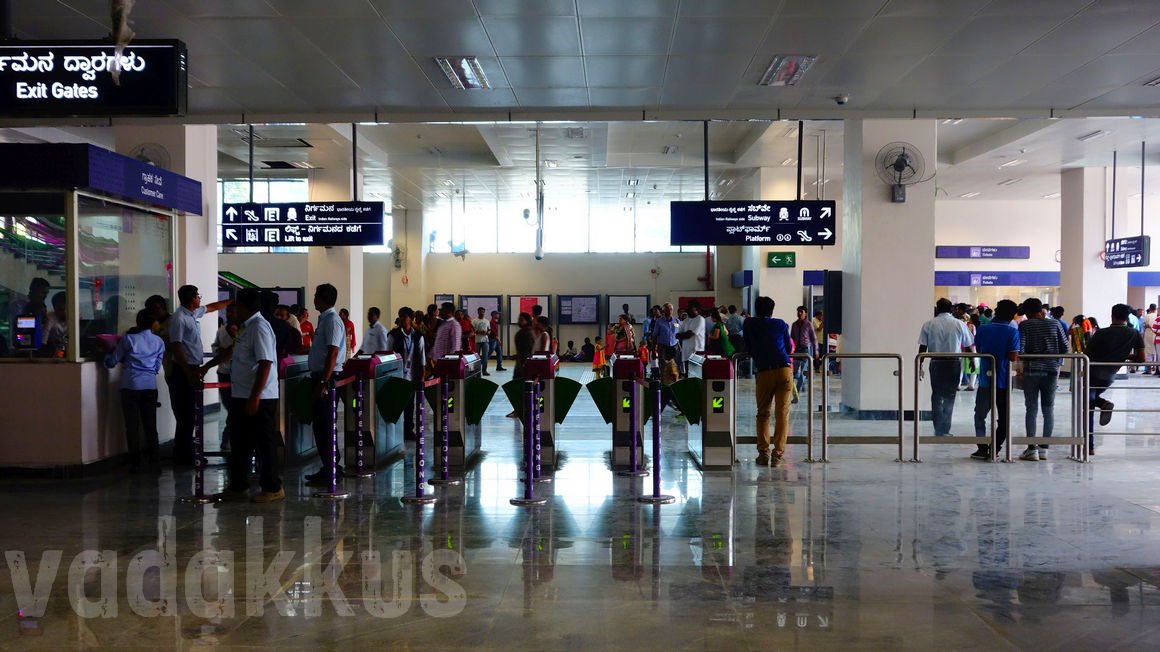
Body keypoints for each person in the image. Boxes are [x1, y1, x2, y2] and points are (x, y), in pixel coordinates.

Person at [214, 288, 284, 503]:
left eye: (236, 306)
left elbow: (265, 364)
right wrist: (207, 366)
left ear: (244, 306)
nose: (233, 311)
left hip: (259, 397)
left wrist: (255, 396)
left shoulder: (259, 327)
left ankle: (272, 487)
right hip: (241, 394)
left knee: (264, 442)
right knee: (240, 441)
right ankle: (238, 486)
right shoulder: (246, 327)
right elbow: (232, 352)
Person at [167, 285, 231, 466]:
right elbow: (176, 347)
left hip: (192, 367)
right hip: (183, 370)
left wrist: (233, 301)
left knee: (191, 415)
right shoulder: (179, 318)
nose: (200, 299)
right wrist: (189, 372)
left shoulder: (192, 314)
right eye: (198, 296)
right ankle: (184, 456)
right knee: (186, 415)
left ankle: (187, 453)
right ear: (191, 298)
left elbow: (212, 307)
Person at [103, 309, 166, 472]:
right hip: (150, 386)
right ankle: (154, 457)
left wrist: (104, 358)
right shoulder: (159, 341)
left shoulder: (128, 339)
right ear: (153, 324)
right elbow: (158, 365)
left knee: (132, 425)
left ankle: (135, 460)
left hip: (130, 386)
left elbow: (112, 361)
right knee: (150, 424)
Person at [1086, 304, 1146, 455]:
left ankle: (1089, 446)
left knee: (1088, 409)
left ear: (1111, 316)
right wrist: (1123, 355)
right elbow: (1141, 359)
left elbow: (1086, 354)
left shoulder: (1101, 333)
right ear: (1127, 317)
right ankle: (1103, 403)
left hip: (1092, 374)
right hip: (1110, 376)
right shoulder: (1134, 334)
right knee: (1090, 402)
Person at [304, 283, 348, 485]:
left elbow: (333, 353)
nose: (313, 299)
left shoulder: (332, 321)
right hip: (322, 377)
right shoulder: (325, 319)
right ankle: (329, 466)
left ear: (322, 298)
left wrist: (322, 382)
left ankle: (331, 468)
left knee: (325, 425)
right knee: (321, 425)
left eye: (315, 295)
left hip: (327, 379)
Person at [1016, 297, 1070, 461]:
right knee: (1048, 410)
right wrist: (1054, 361)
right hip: (1051, 372)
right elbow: (1065, 348)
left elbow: (1021, 349)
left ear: (1028, 311)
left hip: (1031, 372)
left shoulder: (1024, 325)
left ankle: (1031, 449)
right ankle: (1044, 448)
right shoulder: (1055, 324)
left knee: (1031, 409)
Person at [744, 296, 793, 466]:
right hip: (784, 370)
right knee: (782, 414)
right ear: (772, 310)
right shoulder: (780, 324)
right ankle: (778, 456)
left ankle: (763, 453)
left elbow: (747, 346)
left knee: (763, 413)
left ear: (756, 309)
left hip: (764, 371)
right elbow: (788, 348)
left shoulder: (749, 323)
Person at [969, 300, 1021, 460]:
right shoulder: (1012, 332)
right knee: (1004, 417)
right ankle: (995, 447)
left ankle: (982, 447)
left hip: (985, 379)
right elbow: (1013, 356)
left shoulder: (983, 329)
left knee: (980, 414)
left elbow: (978, 347)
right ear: (1012, 315)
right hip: (1004, 380)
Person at [918, 298, 975, 437]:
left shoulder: (929, 324)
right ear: (951, 309)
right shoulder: (959, 324)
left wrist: (920, 365)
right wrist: (972, 361)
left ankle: (938, 428)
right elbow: (968, 346)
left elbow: (922, 348)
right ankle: (946, 429)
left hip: (936, 363)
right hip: (953, 363)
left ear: (937, 308)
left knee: (937, 395)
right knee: (950, 396)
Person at [387, 307, 426, 439]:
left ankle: (408, 430)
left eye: (405, 316)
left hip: (411, 375)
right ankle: (395, 429)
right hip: (397, 375)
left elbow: (422, 357)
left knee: (409, 405)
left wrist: (421, 377)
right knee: (396, 404)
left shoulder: (418, 336)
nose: (402, 319)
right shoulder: (393, 335)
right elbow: (388, 355)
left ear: (411, 318)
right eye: (400, 316)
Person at [211, 304, 239, 451]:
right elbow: (215, 347)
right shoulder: (221, 330)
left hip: (239, 374)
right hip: (224, 373)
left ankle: (229, 439)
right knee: (230, 408)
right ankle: (228, 439)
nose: (229, 314)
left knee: (235, 409)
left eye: (232, 311)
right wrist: (220, 352)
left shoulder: (243, 330)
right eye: (228, 311)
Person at [789, 305, 817, 399]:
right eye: (798, 311)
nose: (799, 313)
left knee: (803, 373)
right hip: (796, 350)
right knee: (794, 372)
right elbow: (791, 338)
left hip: (806, 350)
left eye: (801, 311)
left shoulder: (809, 324)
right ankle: (801, 383)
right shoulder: (794, 325)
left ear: (805, 313)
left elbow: (814, 339)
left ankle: (797, 393)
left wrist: (816, 350)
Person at [677, 302, 706, 376]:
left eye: (690, 307)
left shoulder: (700, 319)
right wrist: (684, 334)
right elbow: (677, 335)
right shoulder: (686, 320)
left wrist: (684, 334)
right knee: (688, 375)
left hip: (697, 352)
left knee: (696, 376)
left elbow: (689, 335)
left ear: (697, 309)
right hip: (686, 352)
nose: (687, 309)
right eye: (687, 307)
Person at [471, 307, 491, 375]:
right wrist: (479, 332)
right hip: (477, 341)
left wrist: (488, 333)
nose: (482, 313)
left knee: (485, 357)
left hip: (485, 340)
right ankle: (477, 371)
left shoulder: (487, 321)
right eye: (480, 312)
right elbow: (472, 330)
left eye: (483, 312)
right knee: (477, 357)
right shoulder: (474, 321)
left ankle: (484, 371)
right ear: (478, 312)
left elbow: (489, 330)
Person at [1145, 304, 1158, 374]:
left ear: (1150, 308)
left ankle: (1149, 370)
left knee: (1148, 352)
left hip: (1148, 335)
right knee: (1156, 353)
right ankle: (1156, 369)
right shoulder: (1157, 316)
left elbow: (1144, 325)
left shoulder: (1147, 316)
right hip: (1156, 336)